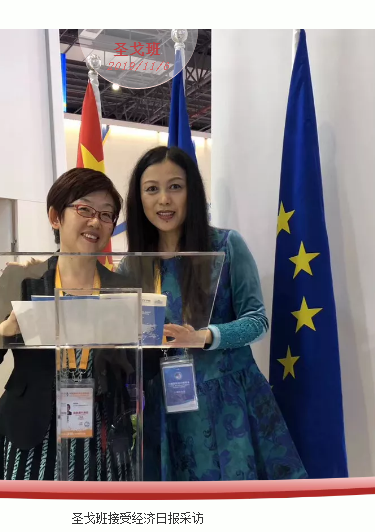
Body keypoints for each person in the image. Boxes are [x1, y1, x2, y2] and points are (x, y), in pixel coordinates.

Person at [123, 146, 308, 481]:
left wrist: (205, 337)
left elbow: (257, 320)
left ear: (192, 191)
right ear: (139, 198)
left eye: (175, 186)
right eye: (152, 189)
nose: (164, 199)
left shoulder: (226, 245)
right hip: (167, 406)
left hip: (230, 400)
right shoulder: (132, 265)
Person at [0, 168, 135, 481]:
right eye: (84, 210)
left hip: (101, 432)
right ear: (55, 217)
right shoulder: (23, 279)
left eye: (106, 214)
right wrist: (5, 330)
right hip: (32, 433)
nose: (95, 222)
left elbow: (139, 371)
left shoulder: (122, 290)